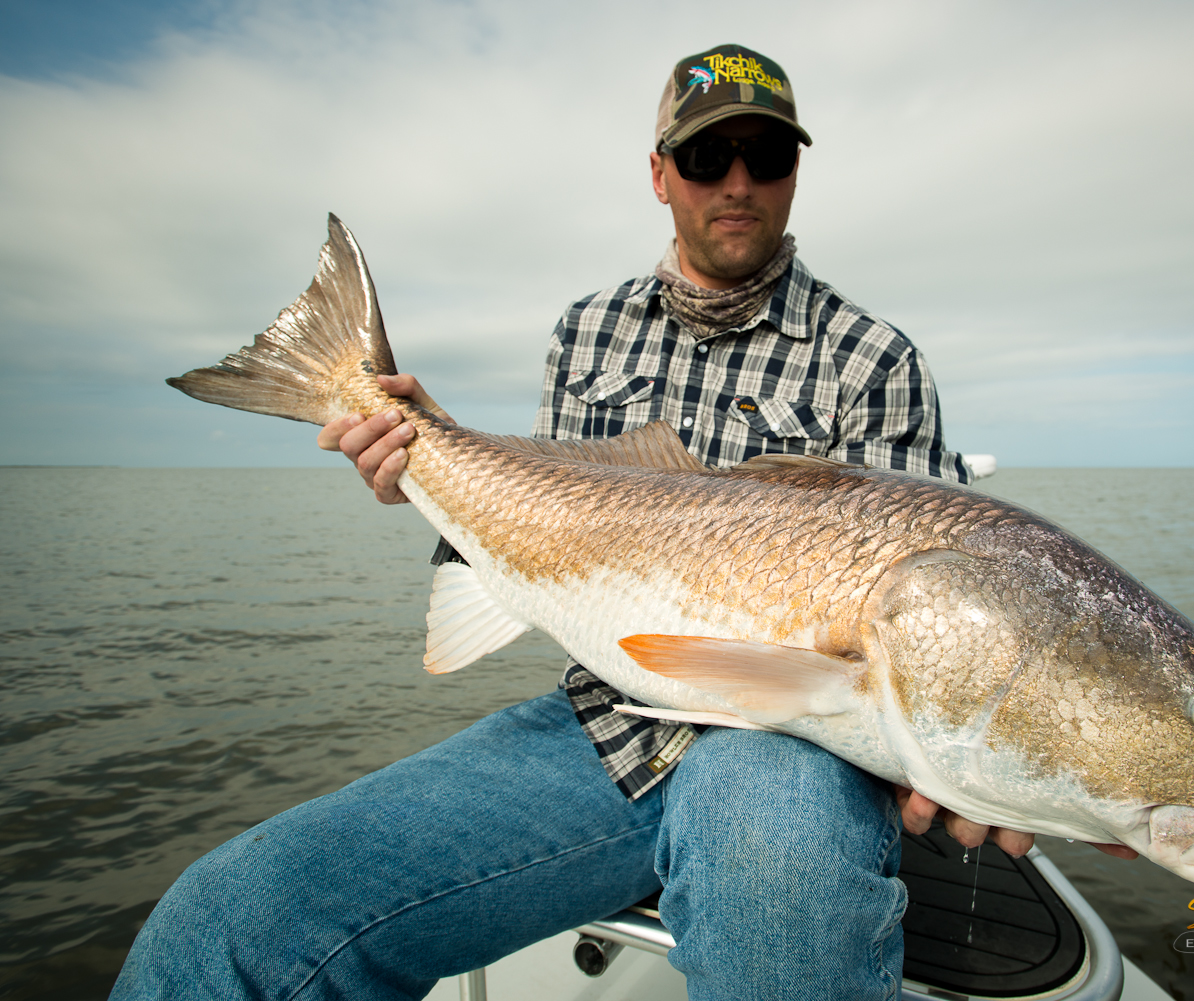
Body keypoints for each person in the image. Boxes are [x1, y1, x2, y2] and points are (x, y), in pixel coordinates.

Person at [111, 44, 1131, 1001]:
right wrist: (418, 463)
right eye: (705, 155)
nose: (736, 181)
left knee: (776, 891)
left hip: (791, 748)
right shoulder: (584, 327)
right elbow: (556, 518)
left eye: (765, 154)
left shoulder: (874, 356)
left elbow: (933, 608)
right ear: (660, 173)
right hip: (598, 723)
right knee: (231, 913)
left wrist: (975, 752)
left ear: (792, 173)